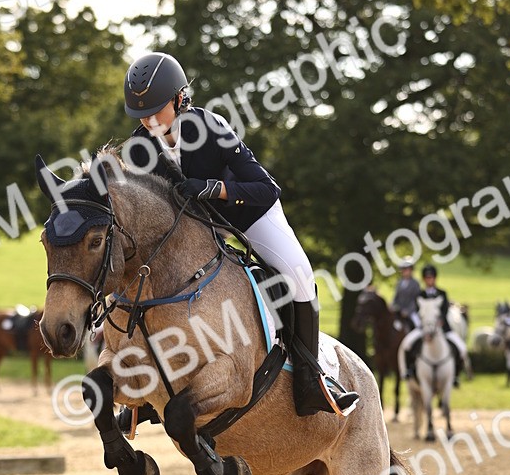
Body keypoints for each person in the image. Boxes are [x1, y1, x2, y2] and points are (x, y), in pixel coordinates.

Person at [122, 52, 358, 417]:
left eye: (156, 110)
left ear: (180, 99)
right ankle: (147, 394)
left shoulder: (211, 128)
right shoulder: (139, 150)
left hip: (249, 214)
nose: (149, 121)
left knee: (299, 273)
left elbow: (266, 188)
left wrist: (214, 189)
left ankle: (310, 378)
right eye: (142, 114)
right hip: (199, 228)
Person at [401, 264, 468, 385]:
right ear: (424, 279)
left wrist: (440, 321)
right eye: (427, 278)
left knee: (462, 348)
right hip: (423, 327)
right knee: (406, 344)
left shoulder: (442, 293)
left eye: (431, 277)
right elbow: (416, 312)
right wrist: (421, 324)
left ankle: (456, 375)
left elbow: (445, 311)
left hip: (442, 328)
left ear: (435, 278)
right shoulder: (420, 295)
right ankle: (410, 369)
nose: (429, 280)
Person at [391, 259, 421, 330]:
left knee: (418, 324)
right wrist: (392, 305)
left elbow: (416, 300)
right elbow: (396, 297)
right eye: (403, 269)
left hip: (411, 311)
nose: (405, 271)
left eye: (407, 269)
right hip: (399, 310)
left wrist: (408, 311)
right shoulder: (399, 283)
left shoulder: (415, 283)